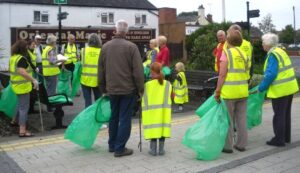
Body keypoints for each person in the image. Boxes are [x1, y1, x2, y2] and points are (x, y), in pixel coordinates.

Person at [99, 19, 144, 157]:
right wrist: (141, 89)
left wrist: (102, 89)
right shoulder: (131, 47)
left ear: (115, 29)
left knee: (113, 117)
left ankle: (112, 145)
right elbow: (138, 71)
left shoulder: (105, 47)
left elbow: (100, 70)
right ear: (127, 31)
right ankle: (120, 148)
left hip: (111, 89)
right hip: (127, 89)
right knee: (124, 118)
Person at [255, 33, 299, 147]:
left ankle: (279, 139)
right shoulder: (281, 51)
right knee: (285, 114)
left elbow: (271, 74)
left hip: (280, 90)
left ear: (268, 44)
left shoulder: (273, 55)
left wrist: (261, 87)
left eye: (263, 43)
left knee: (279, 114)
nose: (262, 45)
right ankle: (286, 137)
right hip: (289, 88)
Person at [215, 29, 249, 153]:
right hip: (243, 91)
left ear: (228, 40)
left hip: (229, 92)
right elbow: (246, 73)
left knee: (228, 120)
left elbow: (222, 74)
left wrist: (217, 91)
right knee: (241, 119)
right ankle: (241, 144)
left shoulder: (227, 53)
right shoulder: (244, 54)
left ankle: (228, 146)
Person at [9, 40, 39, 137]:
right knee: (24, 108)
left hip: (16, 86)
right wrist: (33, 80)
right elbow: (22, 72)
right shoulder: (21, 59)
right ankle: (22, 131)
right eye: (26, 47)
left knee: (20, 104)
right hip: (23, 87)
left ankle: (14, 121)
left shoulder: (13, 58)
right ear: (23, 48)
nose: (27, 48)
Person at [142, 62, 172, 156]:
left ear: (151, 72)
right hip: (164, 113)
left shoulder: (147, 85)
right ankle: (161, 150)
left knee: (154, 131)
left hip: (151, 113)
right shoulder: (167, 84)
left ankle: (153, 150)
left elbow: (142, 97)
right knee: (162, 130)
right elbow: (172, 97)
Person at [42, 35, 64, 112]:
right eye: (55, 41)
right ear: (52, 42)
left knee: (48, 89)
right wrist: (62, 60)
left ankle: (49, 106)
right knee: (51, 91)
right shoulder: (51, 50)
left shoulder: (45, 49)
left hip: (46, 72)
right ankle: (50, 107)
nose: (56, 43)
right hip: (51, 73)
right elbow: (52, 61)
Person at [80, 33, 102, 108]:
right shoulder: (101, 51)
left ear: (89, 41)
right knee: (98, 101)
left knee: (87, 101)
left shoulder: (83, 50)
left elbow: (81, 63)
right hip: (97, 80)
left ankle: (88, 118)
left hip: (85, 79)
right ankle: (97, 117)